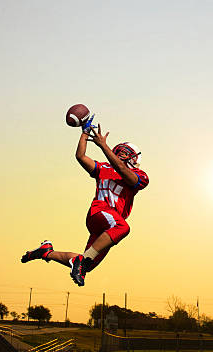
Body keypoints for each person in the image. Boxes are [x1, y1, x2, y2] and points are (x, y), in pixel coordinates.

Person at [21, 118, 149, 287]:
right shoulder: (104, 168)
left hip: (106, 227)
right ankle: (79, 261)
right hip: (101, 213)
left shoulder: (138, 175)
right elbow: (80, 156)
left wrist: (103, 145)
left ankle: (46, 252)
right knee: (123, 227)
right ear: (129, 155)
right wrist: (85, 132)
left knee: (86, 265)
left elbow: (124, 171)